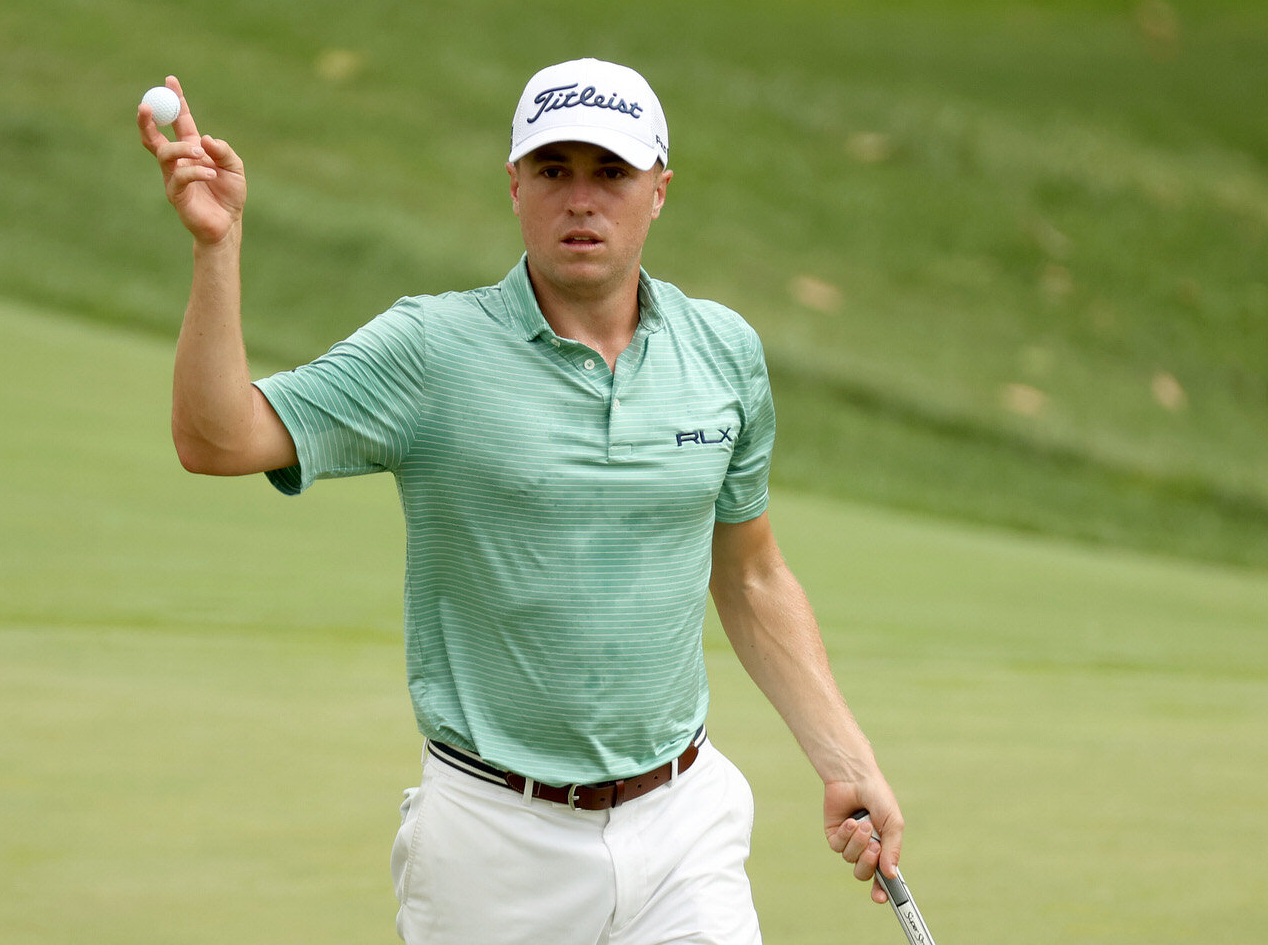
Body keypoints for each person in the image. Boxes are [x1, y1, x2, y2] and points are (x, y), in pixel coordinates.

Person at [140, 57, 904, 944]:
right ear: (515, 187)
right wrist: (216, 245)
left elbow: (753, 575)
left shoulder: (722, 352)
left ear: (659, 190)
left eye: (611, 173)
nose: (582, 199)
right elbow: (218, 438)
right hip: (494, 843)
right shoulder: (432, 349)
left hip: (684, 822)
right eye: (554, 172)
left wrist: (846, 757)